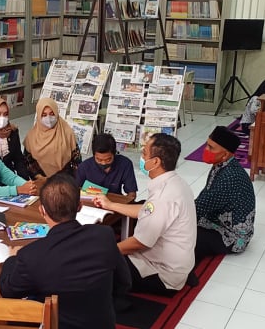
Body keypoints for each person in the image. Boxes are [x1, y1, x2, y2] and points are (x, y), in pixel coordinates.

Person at [0, 173, 131, 329]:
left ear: (42, 210)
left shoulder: (31, 255)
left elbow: (7, 290)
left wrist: (11, 258)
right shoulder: (104, 236)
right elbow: (124, 282)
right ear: (80, 206)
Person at [93, 134, 196, 296]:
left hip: (162, 273)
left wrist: (107, 251)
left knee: (95, 265)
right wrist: (110, 205)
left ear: (155, 162)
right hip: (175, 262)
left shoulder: (163, 196)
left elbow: (140, 243)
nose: (141, 157)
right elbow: (145, 210)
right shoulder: (176, 183)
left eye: (144, 154)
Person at [194, 126, 255, 262]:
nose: (206, 150)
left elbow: (199, 207)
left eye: (211, 147)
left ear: (225, 154)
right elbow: (204, 198)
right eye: (207, 145)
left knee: (180, 236)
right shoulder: (222, 165)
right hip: (216, 221)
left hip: (231, 236)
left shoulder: (229, 176)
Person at [23, 97, 81, 183]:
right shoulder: (31, 137)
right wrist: (39, 177)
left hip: (66, 180)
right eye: (44, 115)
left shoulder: (67, 132)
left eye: (52, 114)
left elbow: (77, 160)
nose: (49, 118)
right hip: (41, 181)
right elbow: (28, 161)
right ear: (39, 116)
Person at [76, 133, 137, 201]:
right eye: (99, 159)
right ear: (94, 155)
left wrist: (121, 205)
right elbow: (75, 191)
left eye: (108, 160)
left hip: (115, 204)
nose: (103, 163)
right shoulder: (84, 167)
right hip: (92, 204)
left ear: (114, 153)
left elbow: (132, 194)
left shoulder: (125, 164)